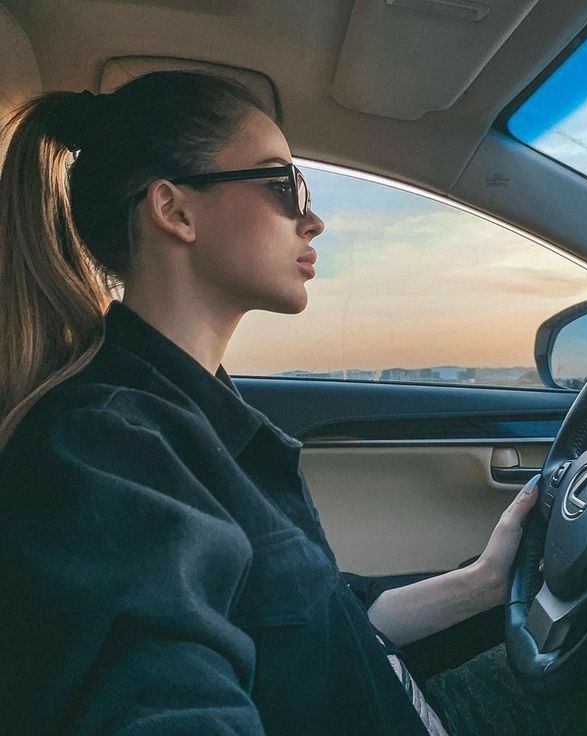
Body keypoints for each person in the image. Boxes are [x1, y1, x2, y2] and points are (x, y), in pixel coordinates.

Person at [0, 71, 539, 735]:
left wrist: (487, 580)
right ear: (175, 210)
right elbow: (163, 697)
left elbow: (319, 628)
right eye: (284, 185)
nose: (313, 218)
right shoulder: (103, 449)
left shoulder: (193, 413)